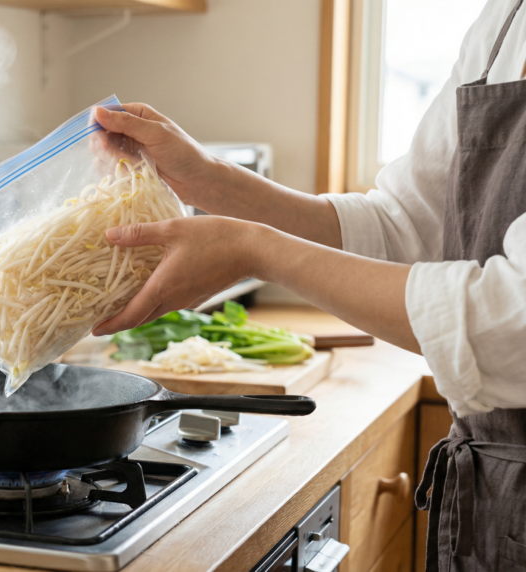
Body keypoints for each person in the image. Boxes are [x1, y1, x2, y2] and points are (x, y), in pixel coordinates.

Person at [89, 0, 526, 569]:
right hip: (491, 496)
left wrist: (253, 250)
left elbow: (510, 321)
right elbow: (403, 226)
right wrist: (211, 182)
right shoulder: (503, 22)